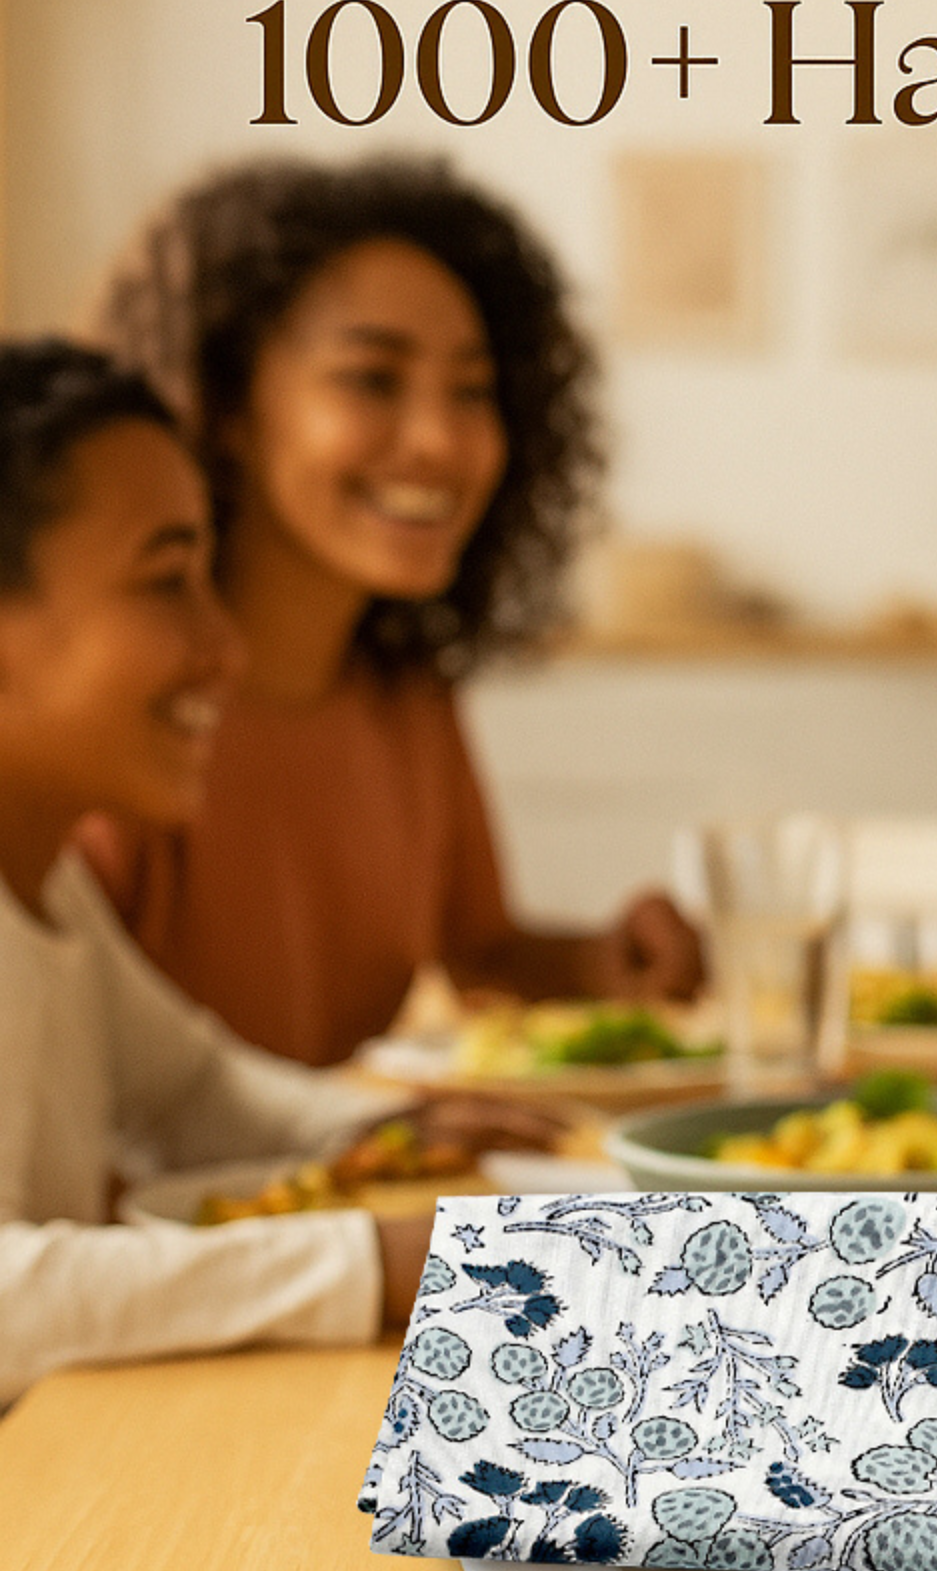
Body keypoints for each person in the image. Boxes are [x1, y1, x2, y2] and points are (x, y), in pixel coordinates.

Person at [0, 340, 538, 1404]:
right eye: (167, 583)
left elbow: (187, 1086)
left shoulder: (42, 874)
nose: (223, 645)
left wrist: (376, 1128)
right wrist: (365, 1263)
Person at [78, 157, 704, 1065]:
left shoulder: (405, 696)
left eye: (473, 391)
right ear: (224, 407)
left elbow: (479, 954)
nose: (442, 441)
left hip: (330, 1192)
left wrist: (604, 960)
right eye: (372, 379)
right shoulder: (121, 708)